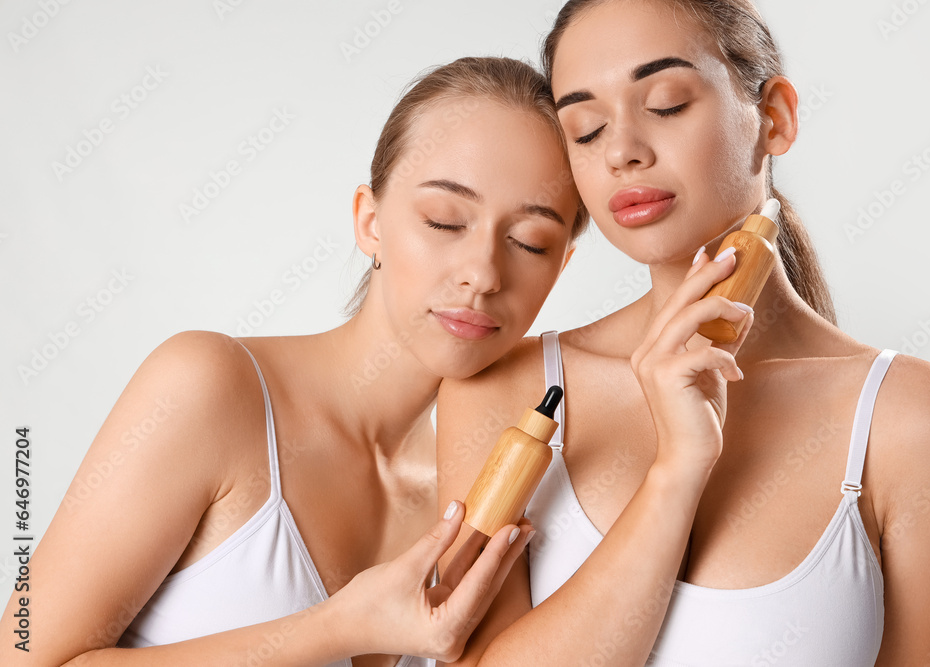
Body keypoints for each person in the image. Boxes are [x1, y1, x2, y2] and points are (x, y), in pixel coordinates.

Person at [436, 2, 930, 665]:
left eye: (666, 103)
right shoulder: (508, 390)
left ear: (775, 118)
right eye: (584, 129)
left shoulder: (913, 419)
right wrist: (677, 470)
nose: (622, 150)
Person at [0, 56, 589, 666]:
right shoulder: (211, 389)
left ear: (560, 269)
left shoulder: (489, 492)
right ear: (370, 221)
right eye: (445, 221)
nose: (484, 274)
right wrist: (334, 630)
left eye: (530, 242)